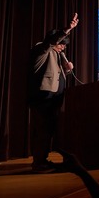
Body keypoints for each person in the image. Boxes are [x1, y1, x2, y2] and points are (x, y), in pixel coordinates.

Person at [26, 13, 79, 173]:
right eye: (62, 44)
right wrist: (67, 29)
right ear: (55, 41)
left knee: (48, 131)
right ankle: (38, 164)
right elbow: (50, 43)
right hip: (43, 99)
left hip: (53, 99)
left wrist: (66, 70)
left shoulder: (56, 55)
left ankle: (43, 160)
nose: (64, 47)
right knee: (42, 131)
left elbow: (54, 76)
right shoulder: (41, 49)